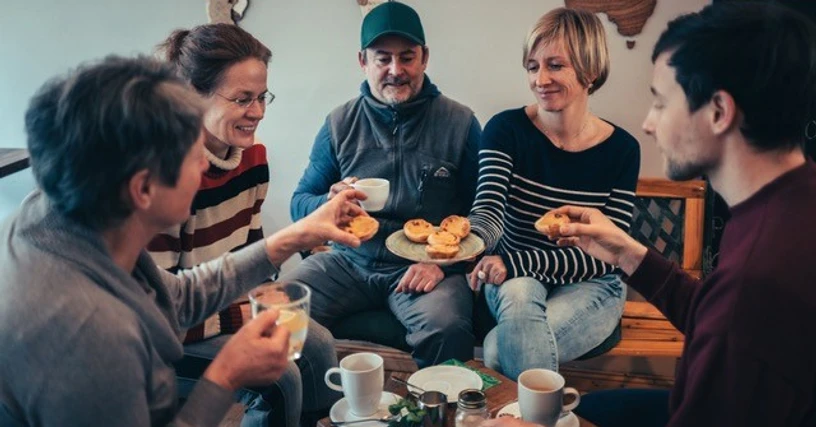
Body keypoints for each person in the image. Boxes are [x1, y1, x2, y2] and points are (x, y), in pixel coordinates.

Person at [488, 3, 816, 426]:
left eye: (660, 102)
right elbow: (713, 312)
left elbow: (727, 328)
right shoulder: (782, 205)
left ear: (718, 112)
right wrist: (627, 253)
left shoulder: (755, 276)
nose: (647, 123)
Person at [0, 55, 370, 426]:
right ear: (143, 188)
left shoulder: (63, 211)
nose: (206, 167)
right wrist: (223, 375)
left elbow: (177, 298)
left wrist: (300, 233)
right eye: (195, 157)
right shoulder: (93, 337)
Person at [147, 24, 339, 426]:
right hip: (164, 335)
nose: (258, 111)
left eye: (262, 96)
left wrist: (266, 297)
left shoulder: (252, 160)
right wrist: (245, 316)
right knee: (280, 376)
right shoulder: (168, 176)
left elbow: (249, 257)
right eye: (242, 99)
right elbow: (160, 314)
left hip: (220, 309)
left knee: (318, 344)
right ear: (191, 96)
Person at [284, 1, 480, 368]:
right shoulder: (339, 123)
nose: (396, 70)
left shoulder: (461, 123)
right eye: (382, 58)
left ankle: (438, 416)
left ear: (425, 58)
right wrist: (329, 202)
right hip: (348, 262)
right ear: (363, 61)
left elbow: (482, 212)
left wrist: (446, 266)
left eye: (407, 57)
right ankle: (309, 411)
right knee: (282, 309)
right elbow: (299, 203)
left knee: (446, 327)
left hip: (425, 268)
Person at [466, 7, 640, 380]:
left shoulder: (623, 150)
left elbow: (607, 256)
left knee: (499, 349)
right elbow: (489, 209)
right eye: (532, 66)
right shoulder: (505, 130)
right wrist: (467, 243)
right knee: (517, 297)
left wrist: (515, 263)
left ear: (589, 71)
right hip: (514, 281)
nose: (540, 79)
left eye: (555, 65)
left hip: (590, 284)